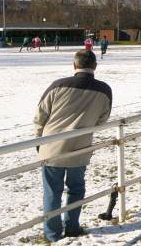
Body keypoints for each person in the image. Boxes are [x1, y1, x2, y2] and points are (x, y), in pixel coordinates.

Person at [34, 50, 112, 242]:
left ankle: (52, 233)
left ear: (74, 65)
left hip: (51, 148)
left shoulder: (57, 86)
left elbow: (40, 116)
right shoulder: (104, 90)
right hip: (81, 148)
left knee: (53, 192)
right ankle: (72, 226)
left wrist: (39, 141)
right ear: (95, 66)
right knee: (76, 189)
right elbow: (102, 119)